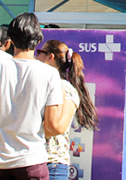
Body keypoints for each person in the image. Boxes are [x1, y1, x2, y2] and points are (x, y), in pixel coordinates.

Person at [0, 12, 63, 179]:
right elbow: (53, 126)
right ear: (38, 40)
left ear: (10, 39)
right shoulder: (50, 73)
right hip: (31, 160)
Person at [36, 39, 99, 180]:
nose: (36, 56)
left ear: (50, 57)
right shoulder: (39, 83)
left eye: (39, 52)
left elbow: (58, 127)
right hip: (33, 160)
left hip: (52, 163)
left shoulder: (65, 88)